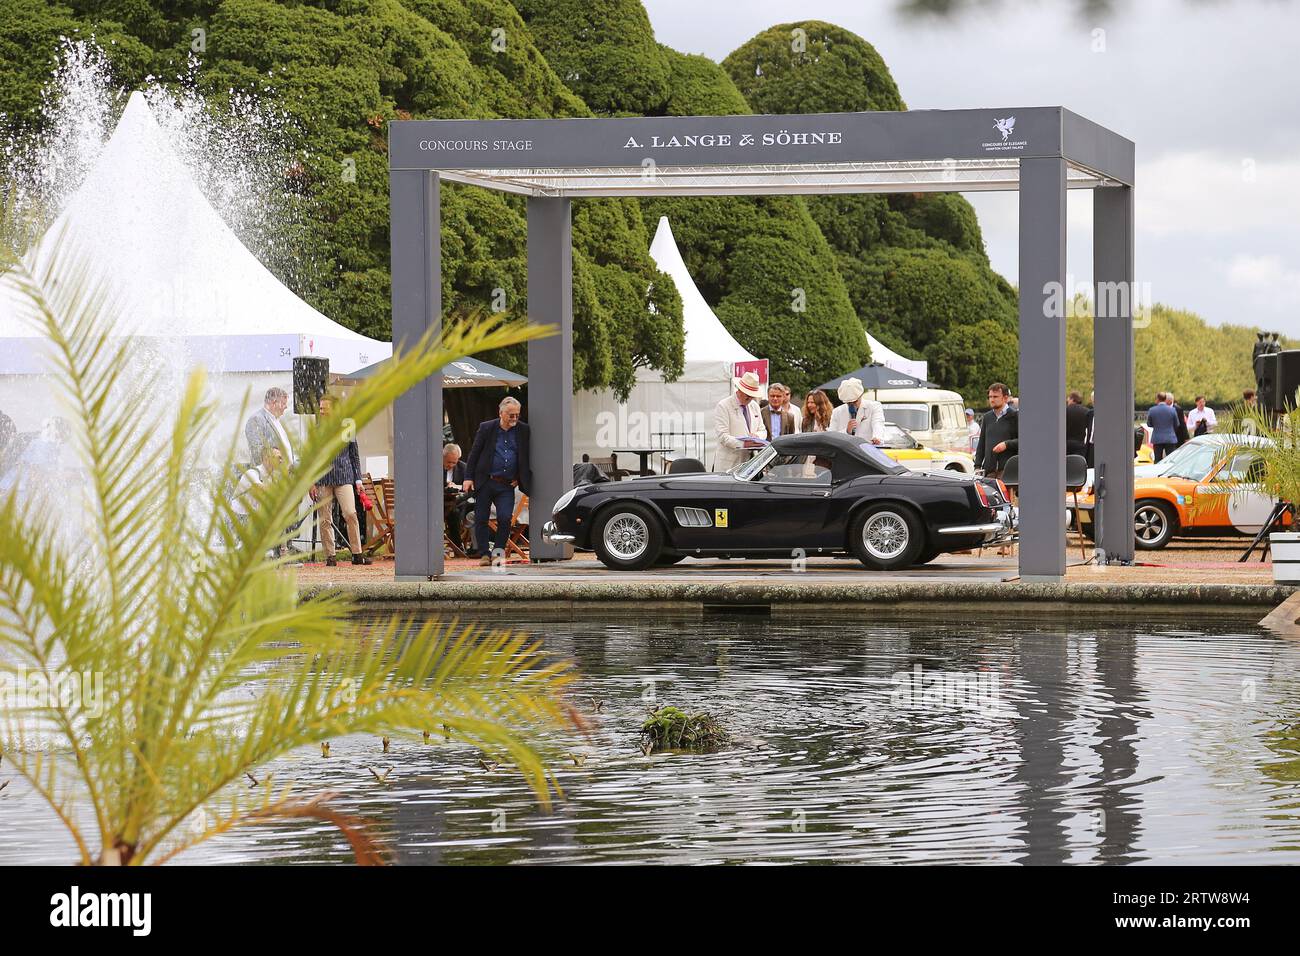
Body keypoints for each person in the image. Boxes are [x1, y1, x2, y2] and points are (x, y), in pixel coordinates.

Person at [464, 396, 532, 566]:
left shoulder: (523, 430)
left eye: (517, 415)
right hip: (486, 481)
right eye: (511, 415)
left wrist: (519, 476)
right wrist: (468, 477)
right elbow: (474, 453)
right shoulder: (487, 428)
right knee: (481, 518)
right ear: (501, 413)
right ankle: (485, 554)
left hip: (506, 484)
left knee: (504, 518)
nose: (514, 418)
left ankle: (499, 552)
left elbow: (525, 455)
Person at [311, 395, 370, 567]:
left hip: (344, 476)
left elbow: (354, 454)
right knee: (324, 519)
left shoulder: (347, 425)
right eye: (320, 408)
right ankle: (331, 556)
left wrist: (358, 479)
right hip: (323, 479)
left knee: (350, 513)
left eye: (325, 408)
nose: (322, 411)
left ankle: (357, 553)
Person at [713, 371, 767, 472]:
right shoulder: (723, 405)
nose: (750, 397)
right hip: (729, 465)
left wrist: (757, 437)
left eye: (752, 395)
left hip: (750, 465)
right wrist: (744, 444)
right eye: (748, 394)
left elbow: (762, 429)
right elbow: (723, 436)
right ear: (739, 390)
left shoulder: (754, 406)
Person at [974, 383, 1018, 479]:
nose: (992, 399)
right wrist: (977, 466)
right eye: (990, 397)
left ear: (1005, 398)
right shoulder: (987, 417)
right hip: (989, 471)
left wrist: (1006, 444)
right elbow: (981, 444)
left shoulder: (1015, 416)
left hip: (1008, 471)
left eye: (995, 396)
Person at [245, 387, 295, 467]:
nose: (286, 407)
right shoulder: (256, 419)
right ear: (274, 403)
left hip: (286, 474)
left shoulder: (278, 420)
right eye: (283, 403)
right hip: (271, 475)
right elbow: (257, 451)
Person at [829, 377, 885, 443]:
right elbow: (831, 436)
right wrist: (846, 431)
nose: (852, 405)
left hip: (866, 449)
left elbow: (878, 423)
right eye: (848, 403)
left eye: (855, 401)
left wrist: (877, 437)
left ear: (861, 395)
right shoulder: (837, 412)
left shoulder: (874, 406)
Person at [443, 442, 470, 553]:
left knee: (455, 511)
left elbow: (469, 489)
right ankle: (457, 546)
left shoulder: (463, 467)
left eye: (454, 462)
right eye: (449, 462)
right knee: (453, 512)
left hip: (458, 502)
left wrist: (456, 488)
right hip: (439, 503)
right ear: (443, 457)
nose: (451, 465)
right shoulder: (433, 467)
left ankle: (458, 546)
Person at [1147, 391, 1179, 462]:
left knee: (1157, 459)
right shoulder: (1172, 410)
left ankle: (1157, 473)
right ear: (1165, 399)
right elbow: (1176, 424)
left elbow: (1149, 424)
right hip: (1170, 437)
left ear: (1157, 399)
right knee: (1170, 460)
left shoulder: (1152, 410)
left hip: (1157, 438)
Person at [1065, 391, 1090, 458]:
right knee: (1078, 465)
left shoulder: (1064, 411)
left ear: (1072, 399)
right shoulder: (1087, 412)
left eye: (1068, 399)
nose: (1067, 401)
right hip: (1080, 444)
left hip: (1065, 444)